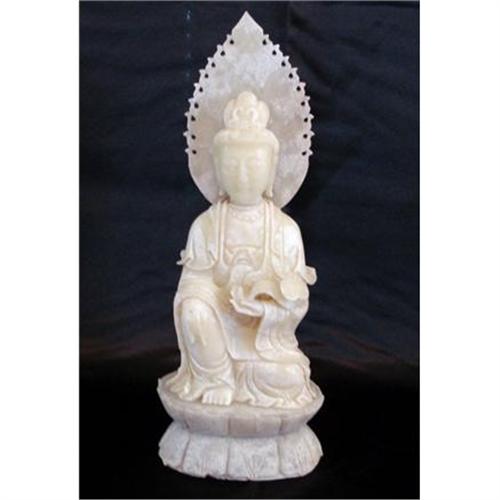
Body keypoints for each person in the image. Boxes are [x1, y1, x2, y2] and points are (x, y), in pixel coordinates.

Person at [166, 91, 318, 408]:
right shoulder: (205, 226)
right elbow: (190, 289)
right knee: (193, 308)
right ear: (218, 172)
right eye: (232, 165)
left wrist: (262, 310)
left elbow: (297, 301)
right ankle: (217, 379)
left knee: (291, 377)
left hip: (262, 348)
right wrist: (214, 301)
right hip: (215, 346)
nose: (243, 175)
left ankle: (237, 382)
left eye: (254, 165)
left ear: (271, 170)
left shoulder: (285, 231)